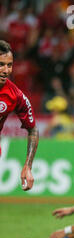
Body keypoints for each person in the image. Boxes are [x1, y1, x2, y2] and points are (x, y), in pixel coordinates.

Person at [0, 40, 38, 191]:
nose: (6, 70)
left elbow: (33, 129)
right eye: (1, 64)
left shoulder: (15, 95)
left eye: (9, 65)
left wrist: (28, 166)